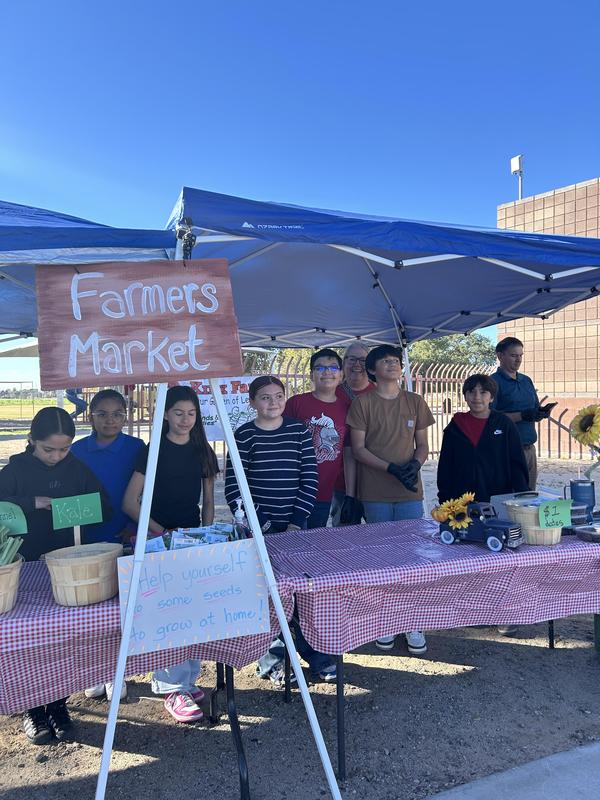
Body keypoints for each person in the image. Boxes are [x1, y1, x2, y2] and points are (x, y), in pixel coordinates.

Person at [0, 407, 111, 745]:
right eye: (49, 449)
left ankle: (59, 703)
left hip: (67, 567)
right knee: (26, 642)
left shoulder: (76, 468)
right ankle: (32, 707)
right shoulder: (15, 469)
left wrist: (75, 507)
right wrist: (34, 502)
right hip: (22, 567)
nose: (57, 456)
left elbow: (103, 506)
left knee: (60, 641)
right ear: (31, 440)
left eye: (64, 449)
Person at [122, 385, 219, 723]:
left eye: (191, 413)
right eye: (178, 412)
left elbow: (209, 502)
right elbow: (130, 502)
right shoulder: (151, 451)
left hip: (191, 542)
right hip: (156, 542)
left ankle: (186, 678)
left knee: (191, 612)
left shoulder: (203, 450)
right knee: (166, 615)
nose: (185, 419)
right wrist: (160, 532)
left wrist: (205, 537)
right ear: (164, 414)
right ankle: (170, 688)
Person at [224, 376, 329, 684]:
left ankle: (316, 656)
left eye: (278, 396)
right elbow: (235, 489)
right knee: (268, 597)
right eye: (265, 397)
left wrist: (296, 521)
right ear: (253, 402)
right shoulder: (243, 436)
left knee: (304, 593)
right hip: (259, 532)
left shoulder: (298, 431)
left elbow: (310, 478)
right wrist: (265, 526)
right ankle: (274, 662)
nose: (273, 402)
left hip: (297, 527)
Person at [347, 344, 435, 655]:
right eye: (386, 361)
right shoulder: (362, 404)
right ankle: (385, 621)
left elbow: (422, 444)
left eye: (396, 361)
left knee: (411, 555)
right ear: (372, 369)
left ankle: (413, 621)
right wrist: (390, 468)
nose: (393, 365)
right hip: (375, 492)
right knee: (381, 559)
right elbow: (358, 449)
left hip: (410, 491)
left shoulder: (415, 401)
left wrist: (414, 464)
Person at [71, 388, 144, 702]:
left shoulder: (137, 447)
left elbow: (144, 492)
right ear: (90, 416)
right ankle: (95, 671)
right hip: (86, 541)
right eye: (102, 413)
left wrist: (132, 527)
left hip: (125, 536)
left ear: (126, 417)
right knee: (89, 613)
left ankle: (119, 672)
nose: (110, 420)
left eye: (117, 413)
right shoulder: (75, 451)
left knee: (121, 611)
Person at [284, 348, 355, 529]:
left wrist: (350, 495)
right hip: (292, 492)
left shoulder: (348, 408)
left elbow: (347, 453)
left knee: (315, 545)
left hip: (323, 492)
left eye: (332, 367)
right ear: (311, 375)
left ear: (341, 374)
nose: (327, 372)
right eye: (320, 368)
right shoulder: (296, 403)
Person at [437, 374, 529, 503]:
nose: (477, 397)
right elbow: (445, 465)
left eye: (483, 392)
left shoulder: (504, 424)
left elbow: (517, 462)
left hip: (498, 497)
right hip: (461, 500)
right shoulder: (455, 426)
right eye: (471, 392)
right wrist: (444, 498)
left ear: (491, 397)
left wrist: (522, 493)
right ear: (465, 396)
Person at [491, 337, 555, 491]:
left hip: (529, 449)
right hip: (506, 450)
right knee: (511, 500)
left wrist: (539, 413)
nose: (518, 360)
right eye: (514, 355)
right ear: (500, 356)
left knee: (529, 497)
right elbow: (490, 418)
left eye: (521, 355)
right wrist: (522, 416)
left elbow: (533, 408)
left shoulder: (526, 380)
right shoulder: (492, 382)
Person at [330, 343, 374, 526]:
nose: (357, 364)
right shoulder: (331, 393)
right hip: (339, 480)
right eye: (352, 359)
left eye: (363, 360)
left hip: (373, 480)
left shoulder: (379, 393)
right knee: (343, 538)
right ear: (344, 363)